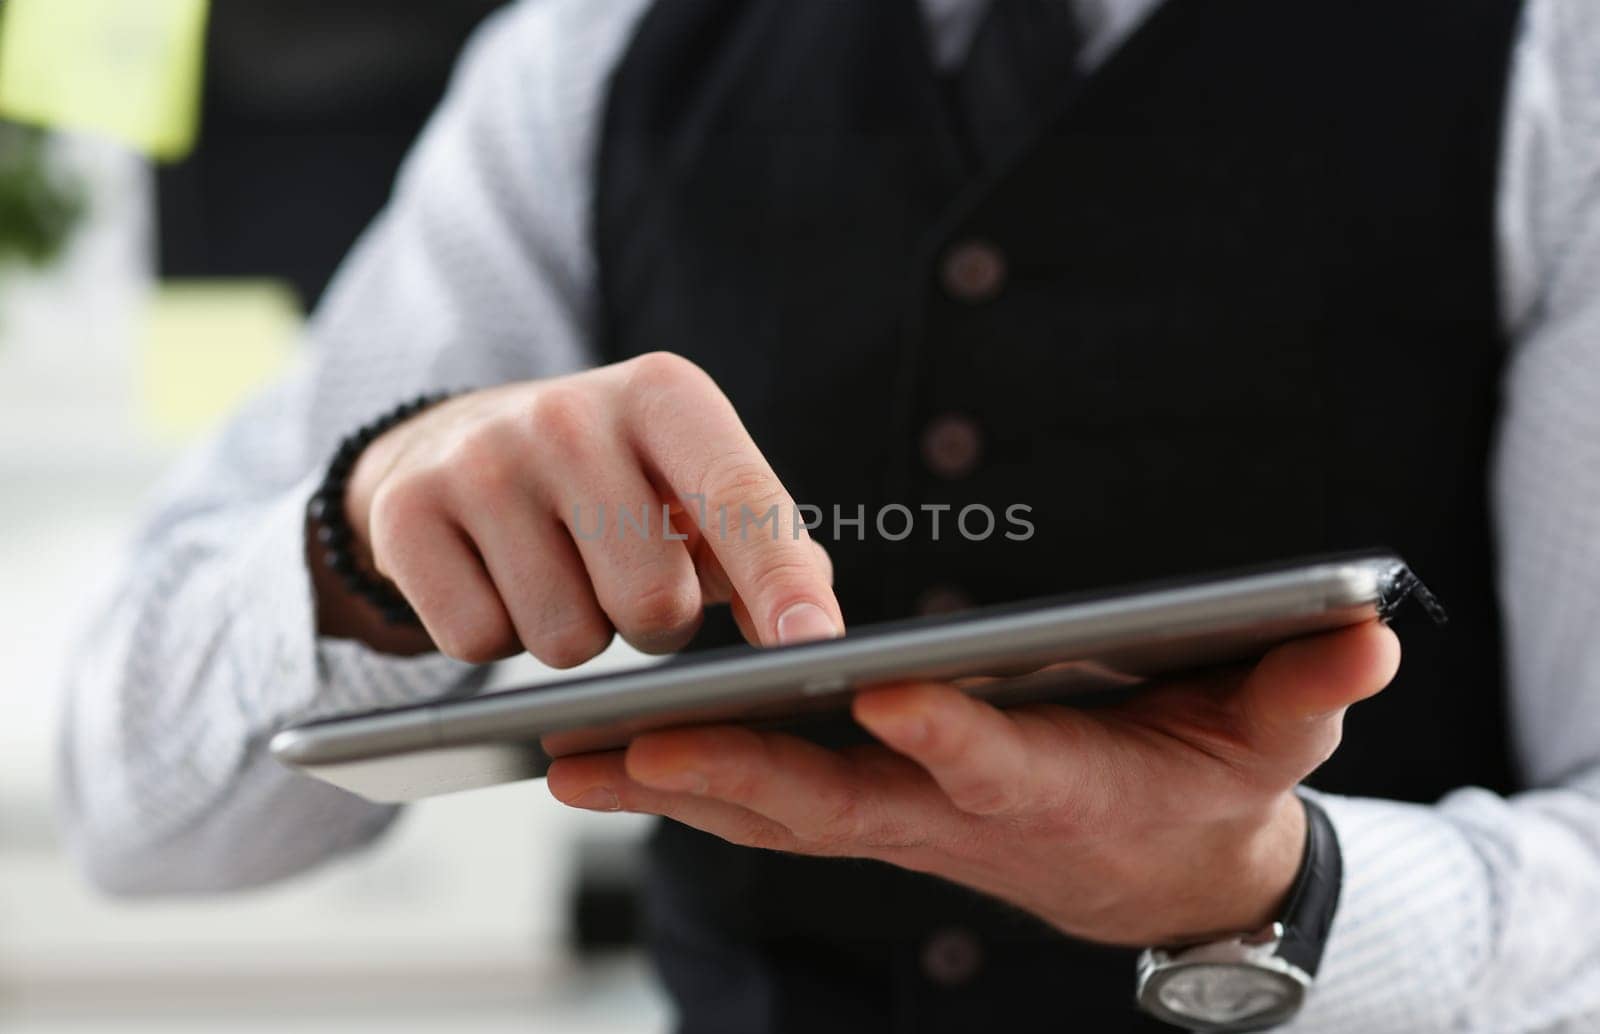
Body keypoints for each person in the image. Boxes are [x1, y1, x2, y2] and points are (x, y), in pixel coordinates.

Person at [58, 0, 1600, 1030]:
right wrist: (369, 530)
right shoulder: (593, 54)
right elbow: (134, 807)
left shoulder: (1554, 64)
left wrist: (1274, 891)